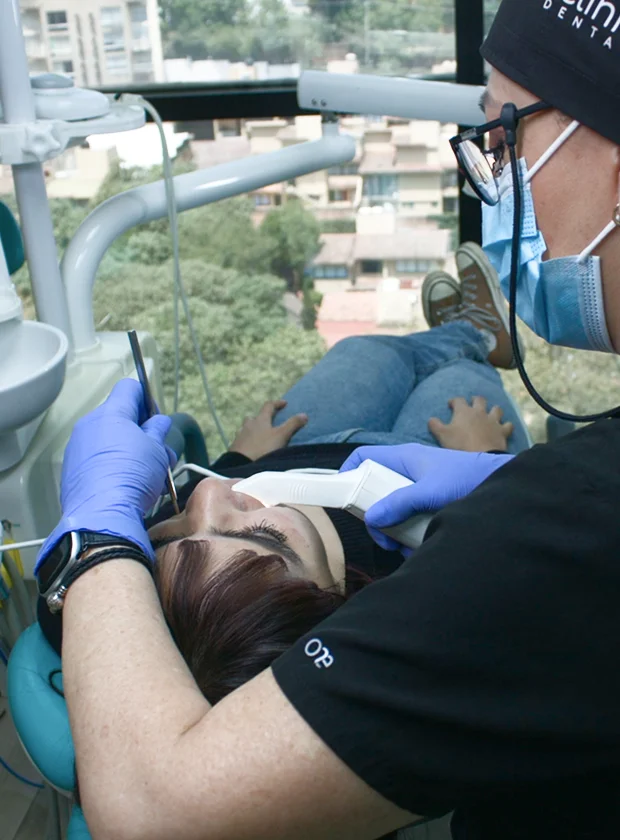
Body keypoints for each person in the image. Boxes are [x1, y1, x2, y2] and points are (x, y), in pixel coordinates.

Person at [33, 3, 620, 837]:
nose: (490, 178)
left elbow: (157, 809)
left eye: (504, 138)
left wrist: (93, 536)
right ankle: (464, 336)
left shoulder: (558, 538)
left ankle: (463, 341)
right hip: (401, 477)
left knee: (435, 381)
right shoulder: (562, 519)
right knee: (383, 361)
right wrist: (508, 481)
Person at [37, 251, 523, 668]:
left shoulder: (143, 598)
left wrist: (239, 458)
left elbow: (60, 617)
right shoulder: (413, 591)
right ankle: (476, 341)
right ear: (334, 598)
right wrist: (489, 469)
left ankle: (463, 330)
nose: (208, 493)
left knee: (367, 351)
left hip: (296, 446)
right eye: (263, 533)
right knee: (458, 382)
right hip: (443, 464)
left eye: (170, 532)